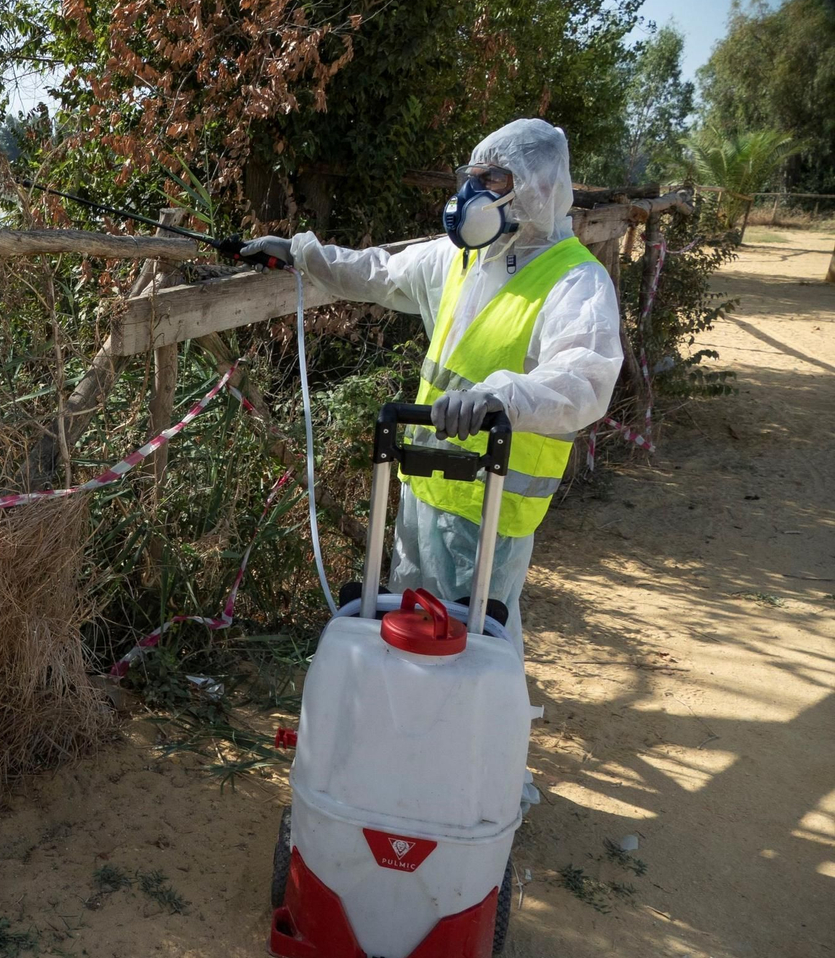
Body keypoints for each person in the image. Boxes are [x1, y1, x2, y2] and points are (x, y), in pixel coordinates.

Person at [241, 118, 622, 652]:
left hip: (489, 510)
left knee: (471, 651)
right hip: (423, 490)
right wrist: (299, 253)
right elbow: (378, 272)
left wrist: (499, 397)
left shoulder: (576, 280)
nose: (473, 193)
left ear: (538, 187)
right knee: (408, 638)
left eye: (492, 178)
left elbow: (585, 377)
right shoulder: (463, 259)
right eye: (472, 178)